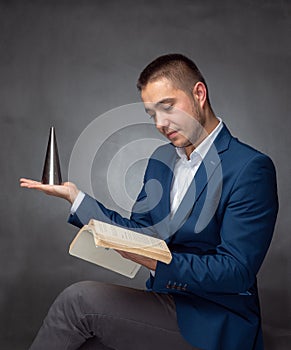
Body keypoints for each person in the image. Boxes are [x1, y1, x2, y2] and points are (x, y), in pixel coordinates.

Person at [20, 54, 278, 350]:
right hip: (165, 304)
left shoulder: (249, 167)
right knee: (86, 343)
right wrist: (76, 198)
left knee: (79, 300)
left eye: (167, 107)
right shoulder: (161, 160)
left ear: (199, 94)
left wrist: (158, 260)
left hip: (216, 319)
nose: (160, 123)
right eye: (152, 114)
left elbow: (236, 272)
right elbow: (140, 234)